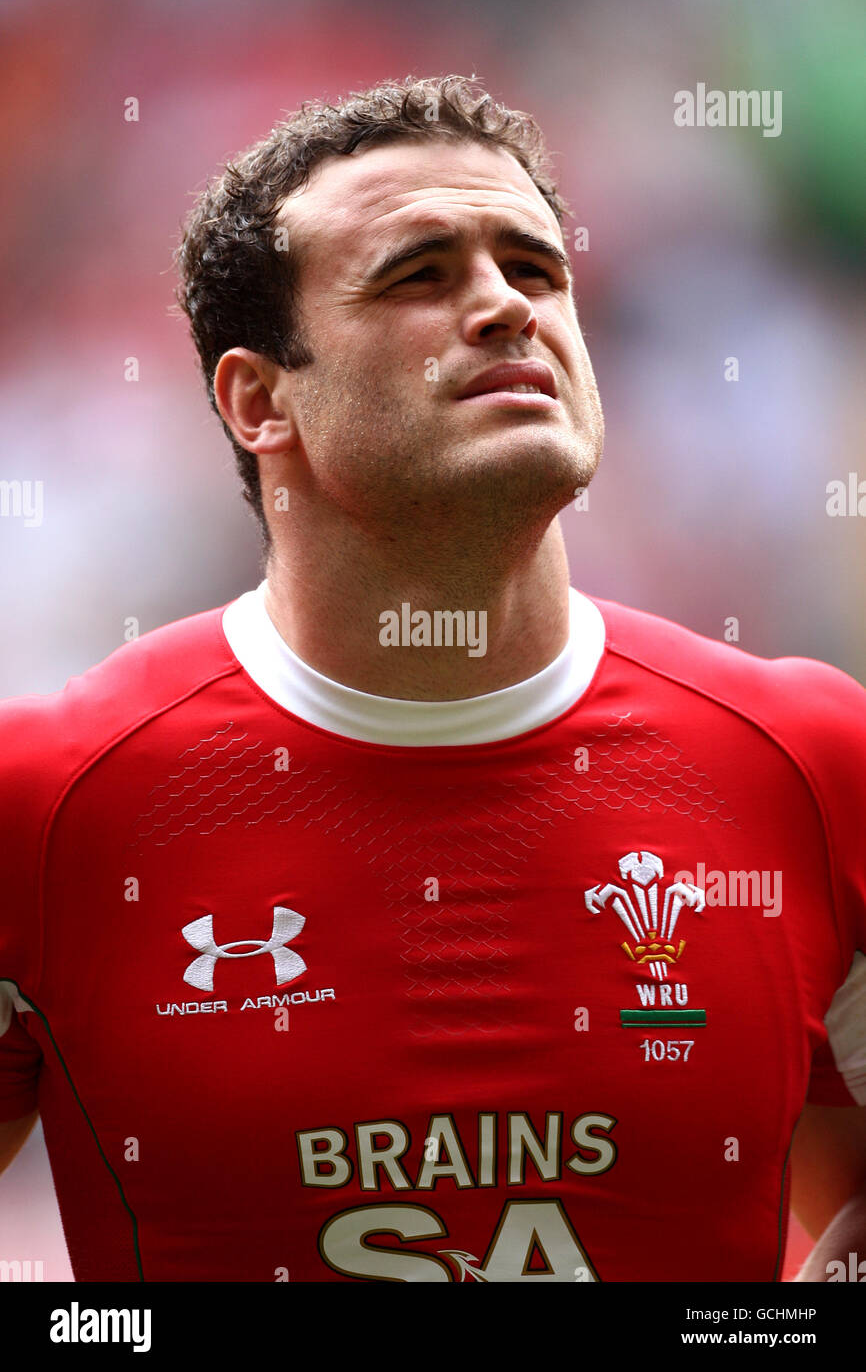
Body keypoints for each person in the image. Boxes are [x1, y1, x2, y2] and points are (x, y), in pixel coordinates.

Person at [1, 74, 864, 1283]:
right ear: (260, 399)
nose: (507, 307)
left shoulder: (813, 758)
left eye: (536, 268)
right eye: (420, 274)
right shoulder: (46, 801)